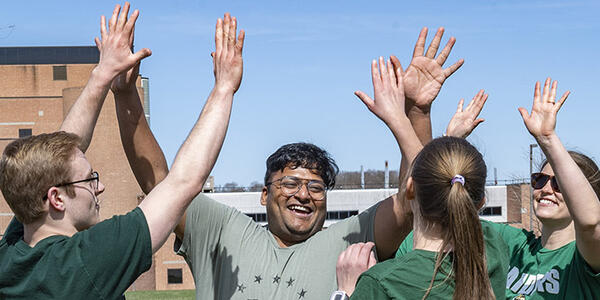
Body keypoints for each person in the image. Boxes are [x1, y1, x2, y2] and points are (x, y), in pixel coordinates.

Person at [114, 26, 463, 299]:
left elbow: (410, 201)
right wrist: (126, 95)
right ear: (264, 195)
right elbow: (159, 183)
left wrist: (417, 111)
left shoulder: (350, 242)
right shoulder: (220, 231)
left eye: (315, 186)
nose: (304, 194)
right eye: (290, 183)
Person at [0, 3, 244, 298]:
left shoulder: (13, 250)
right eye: (89, 179)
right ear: (56, 198)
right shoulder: (84, 261)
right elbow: (183, 181)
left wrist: (103, 74)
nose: (100, 187)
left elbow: (63, 149)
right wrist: (224, 89)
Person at [334, 50, 507, 299]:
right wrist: (411, 117)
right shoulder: (492, 252)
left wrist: (345, 292)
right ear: (479, 204)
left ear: (410, 187)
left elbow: (442, 177)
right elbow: (444, 178)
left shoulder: (382, 282)